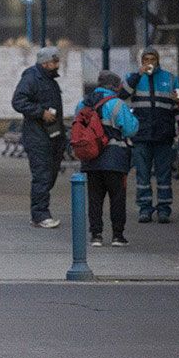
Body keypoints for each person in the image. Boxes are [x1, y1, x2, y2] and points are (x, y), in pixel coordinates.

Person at [76, 71, 140, 247]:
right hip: (115, 158)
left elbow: (78, 125)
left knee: (95, 198)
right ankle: (117, 236)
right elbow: (130, 129)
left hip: (91, 158)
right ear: (115, 86)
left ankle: (96, 235)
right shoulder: (117, 104)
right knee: (117, 197)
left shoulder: (84, 103)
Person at [120, 47, 179, 223]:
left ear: (158, 60)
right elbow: (122, 94)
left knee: (164, 175)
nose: (149, 63)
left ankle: (164, 209)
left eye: (152, 59)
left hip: (164, 135)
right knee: (142, 175)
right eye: (146, 59)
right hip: (141, 135)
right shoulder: (134, 78)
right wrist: (137, 75)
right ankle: (144, 209)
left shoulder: (171, 79)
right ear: (142, 62)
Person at [12, 46, 66, 228]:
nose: (58, 64)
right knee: (42, 175)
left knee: (50, 174)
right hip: (37, 136)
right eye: (55, 61)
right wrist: (41, 113)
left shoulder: (50, 80)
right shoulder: (31, 78)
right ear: (45, 63)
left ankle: (39, 211)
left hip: (52, 134)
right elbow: (18, 101)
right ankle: (41, 214)